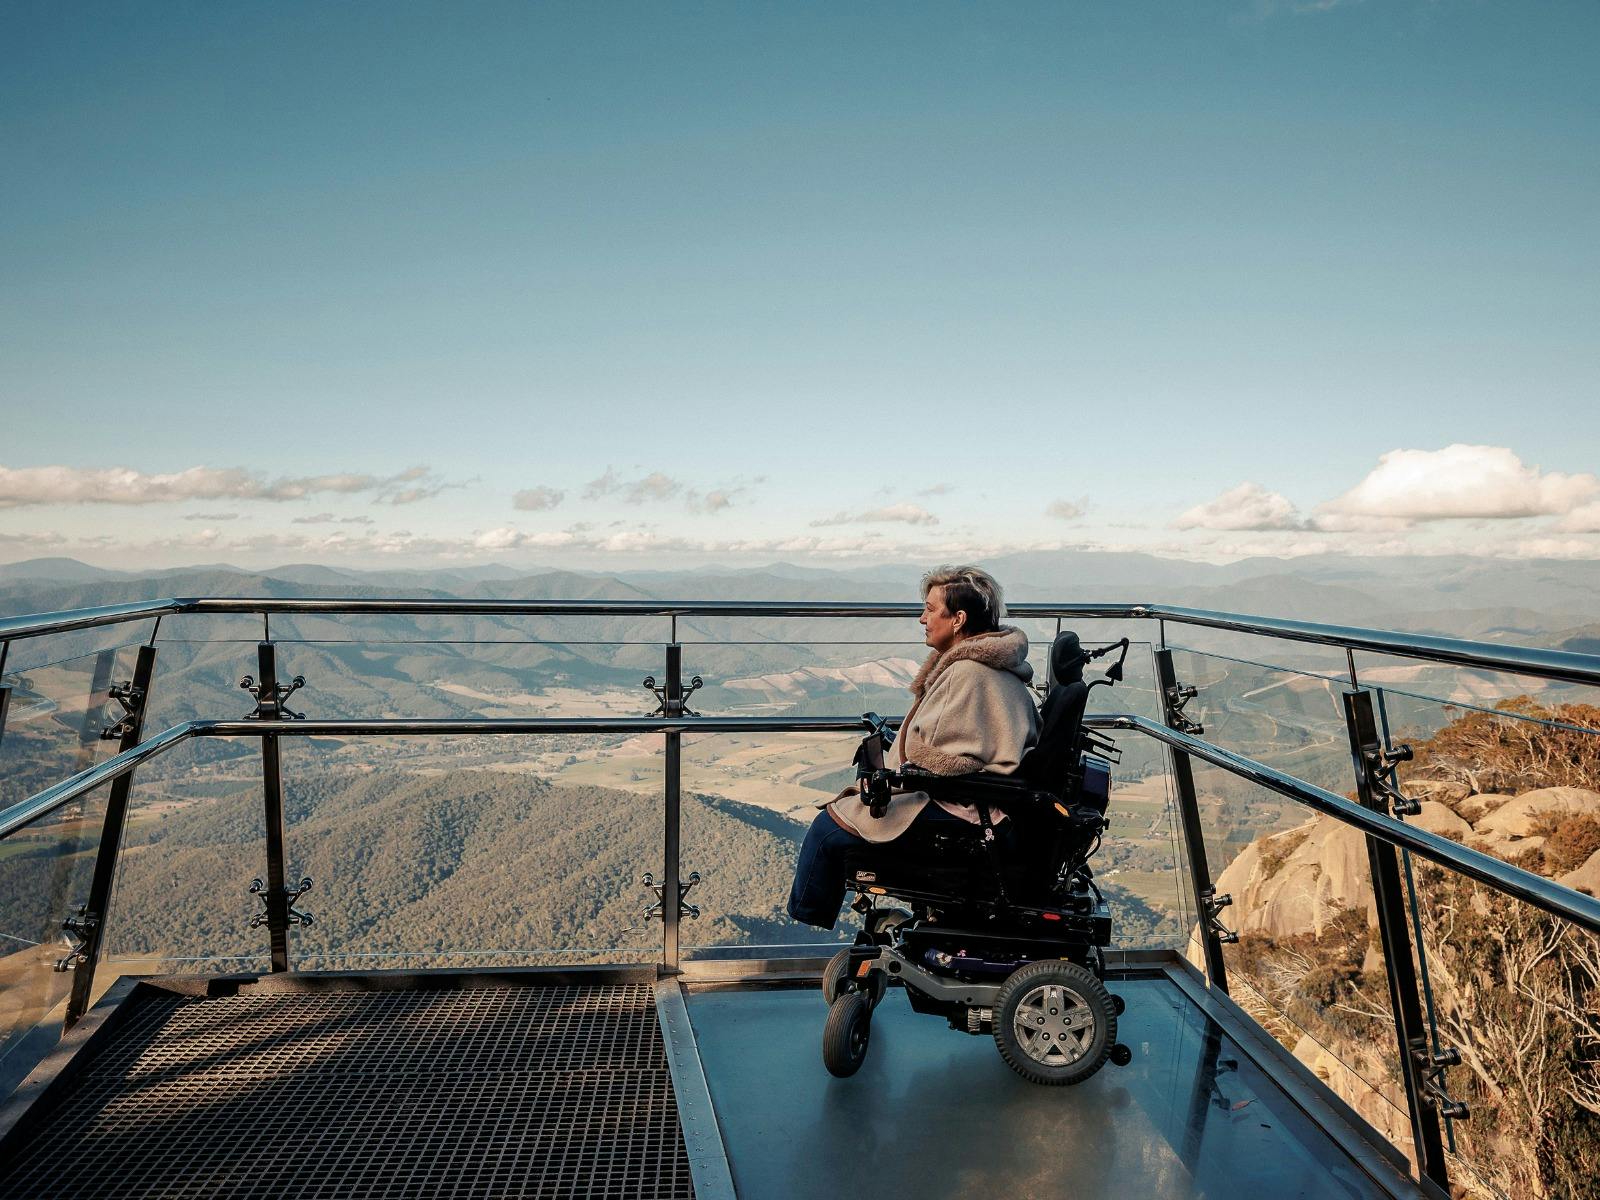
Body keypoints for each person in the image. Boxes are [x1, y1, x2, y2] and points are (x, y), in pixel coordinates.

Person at [786, 565, 1039, 929]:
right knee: (841, 813)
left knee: (828, 829)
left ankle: (806, 920)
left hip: (967, 809)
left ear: (958, 619)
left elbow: (943, 757)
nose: (922, 618)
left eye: (931, 609)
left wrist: (900, 766)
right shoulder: (984, 667)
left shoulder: (969, 674)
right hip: (977, 798)